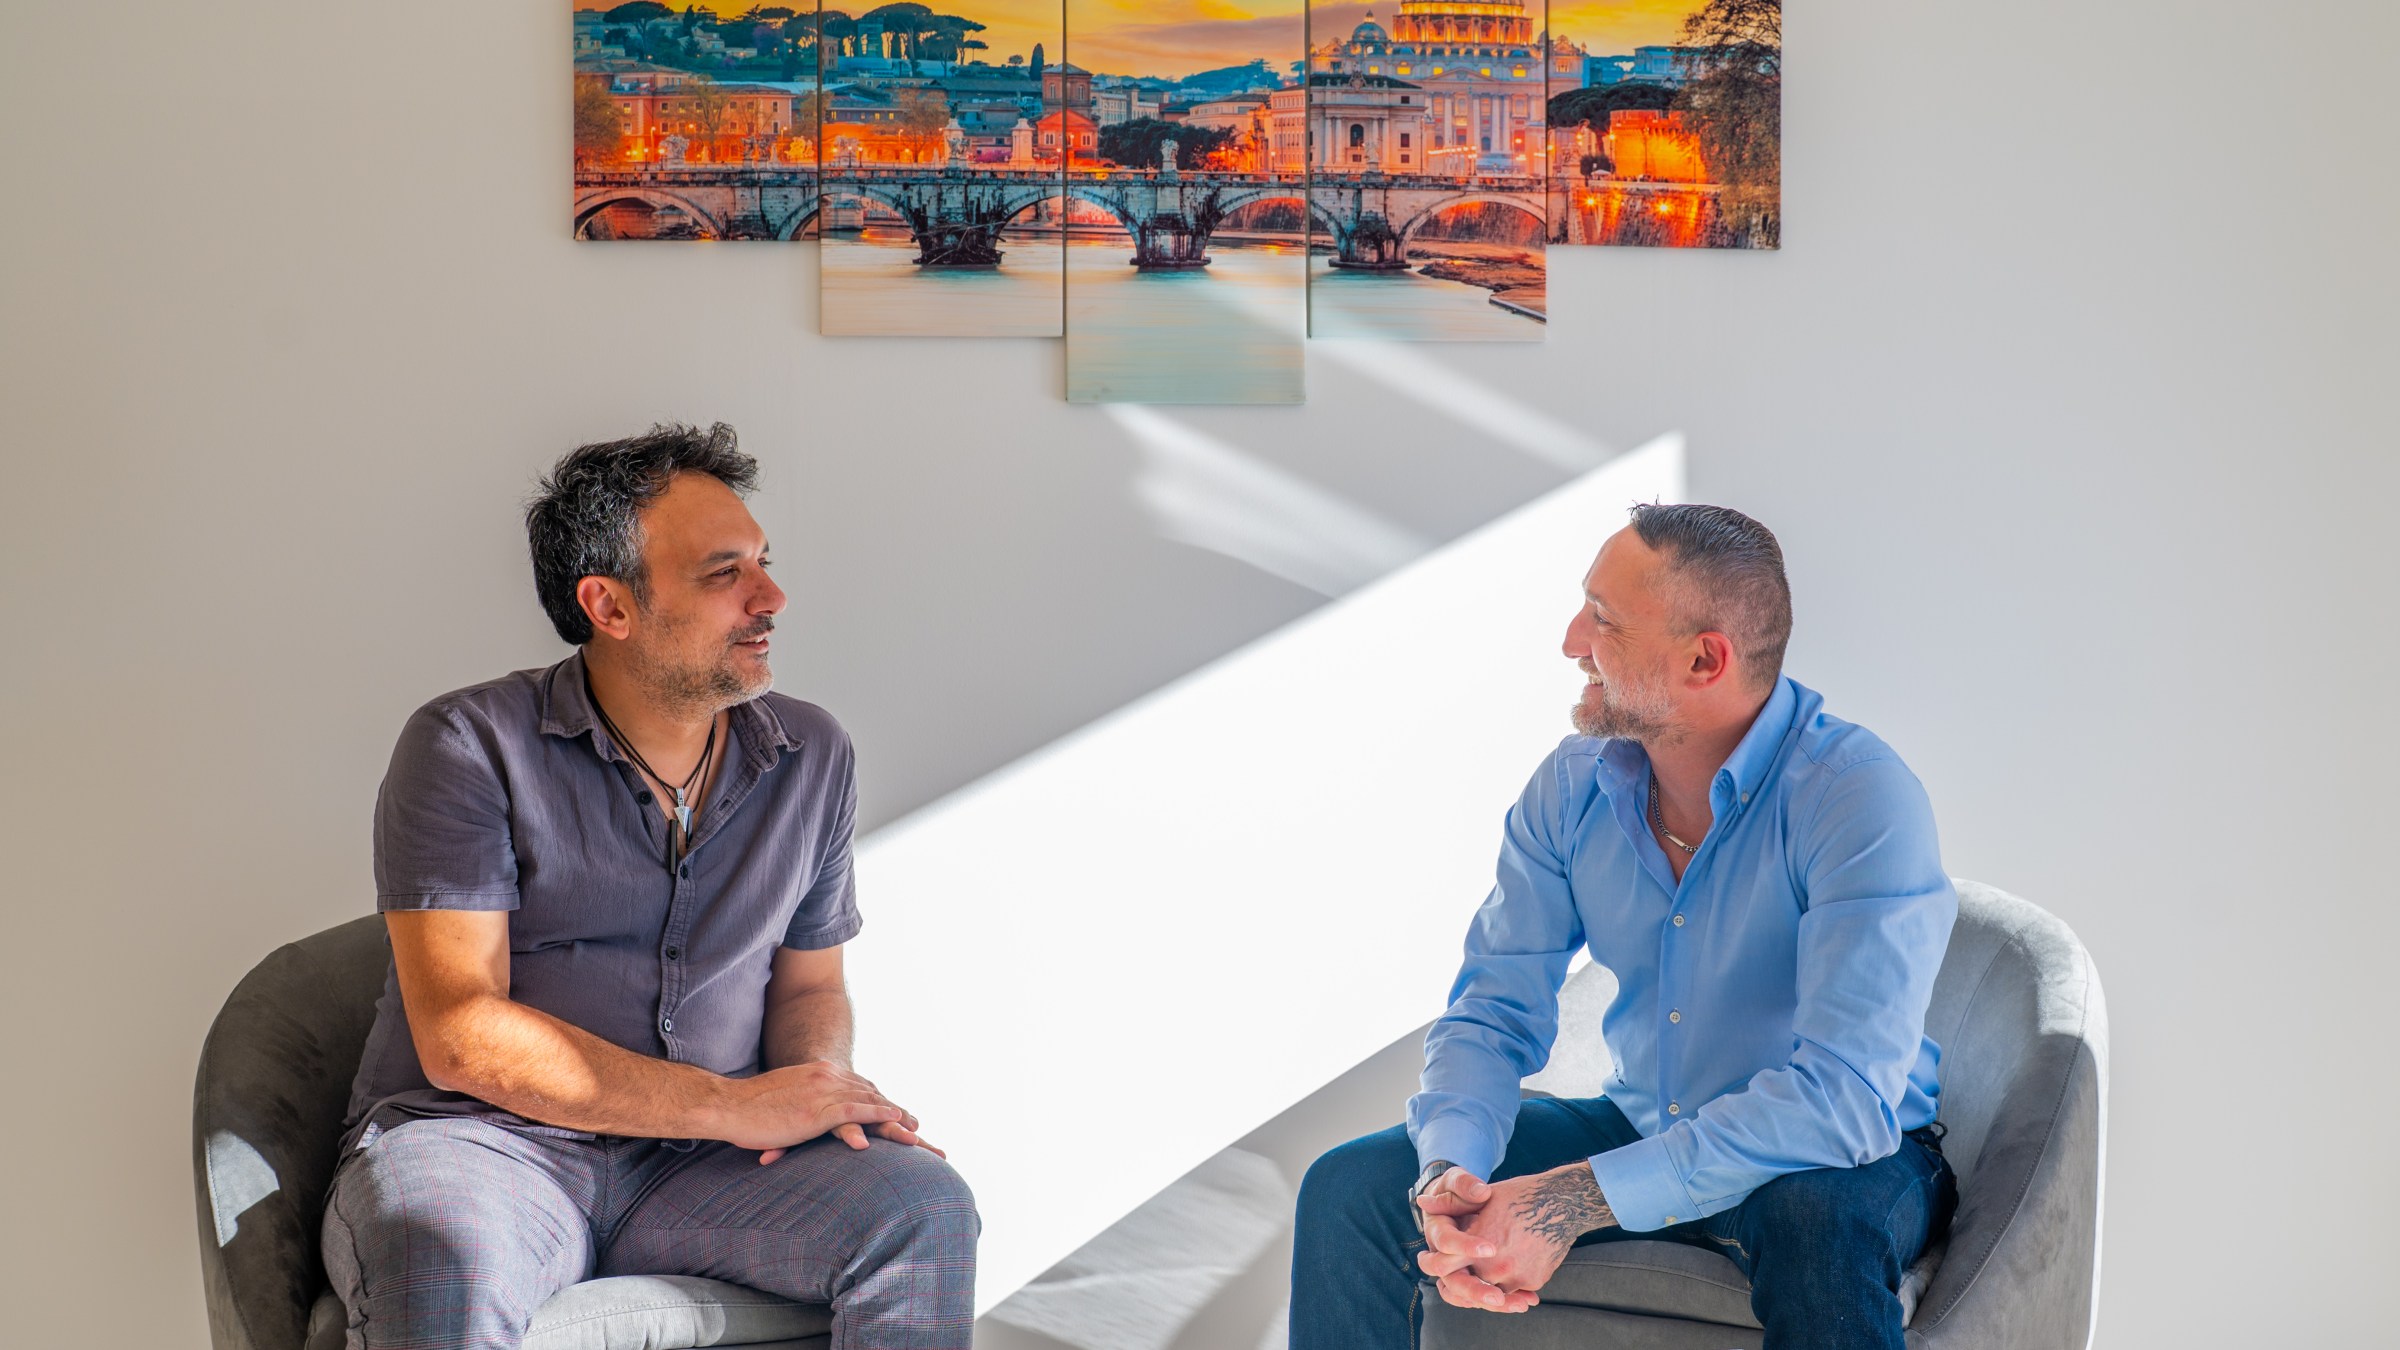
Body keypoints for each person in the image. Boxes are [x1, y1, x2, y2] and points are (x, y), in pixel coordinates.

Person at [321, 424, 977, 1350]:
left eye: (763, 563)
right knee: (443, 1259)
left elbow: (810, 987)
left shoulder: (812, 755)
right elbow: (462, 1034)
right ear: (610, 605)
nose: (771, 598)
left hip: (709, 1169)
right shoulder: (468, 745)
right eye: (724, 574)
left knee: (923, 1208)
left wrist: (817, 1092)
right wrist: (731, 1104)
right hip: (486, 1146)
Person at [1291, 504, 1957, 1350]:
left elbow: (1843, 1101)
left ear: (1705, 659)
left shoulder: (1856, 797)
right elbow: (1493, 1012)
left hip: (1836, 1154)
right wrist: (1450, 1169)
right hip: (1646, 1123)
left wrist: (1572, 1199)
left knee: (1814, 1226)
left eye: (1603, 620)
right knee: (1348, 1187)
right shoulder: (1572, 788)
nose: (1572, 641)